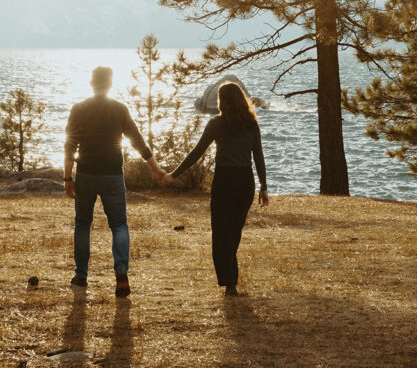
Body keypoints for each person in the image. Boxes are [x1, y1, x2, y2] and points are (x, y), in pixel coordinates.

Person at [64, 65, 165, 297]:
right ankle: (121, 271)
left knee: (82, 224)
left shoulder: (78, 109)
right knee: (119, 224)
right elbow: (136, 140)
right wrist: (155, 168)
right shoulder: (119, 109)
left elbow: (69, 145)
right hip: (112, 175)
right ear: (110, 84)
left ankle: (81, 275)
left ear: (91, 83)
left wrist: (68, 177)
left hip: (86, 174)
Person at [162, 81, 269, 296]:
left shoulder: (216, 124)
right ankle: (231, 281)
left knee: (221, 232)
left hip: (225, 180)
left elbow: (196, 153)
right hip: (245, 181)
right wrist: (263, 187)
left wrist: (174, 174)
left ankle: (229, 281)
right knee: (234, 232)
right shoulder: (251, 123)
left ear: (222, 101)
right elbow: (258, 156)